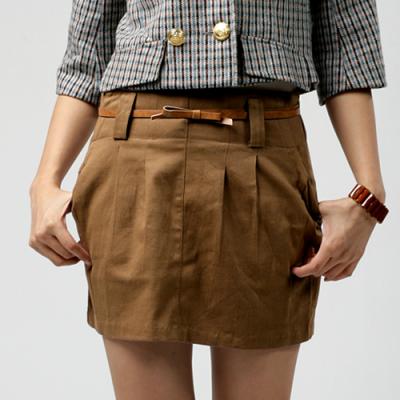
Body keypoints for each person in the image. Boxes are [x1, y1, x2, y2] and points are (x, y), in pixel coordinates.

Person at [28, 1, 389, 399]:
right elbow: (87, 59)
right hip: (135, 152)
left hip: (265, 154)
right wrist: (45, 182)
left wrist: (369, 195)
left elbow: (347, 45)